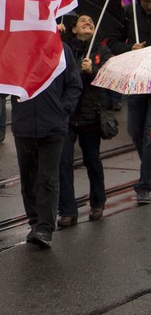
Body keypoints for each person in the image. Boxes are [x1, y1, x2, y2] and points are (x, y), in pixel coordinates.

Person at [11, 44, 82, 248]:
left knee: (47, 179)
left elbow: (74, 84)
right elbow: (2, 83)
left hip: (52, 126)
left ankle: (45, 227)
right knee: (28, 179)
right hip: (24, 125)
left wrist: (62, 109)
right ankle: (35, 221)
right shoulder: (17, 48)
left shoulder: (61, 49)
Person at [58, 15, 111, 226]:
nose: (88, 22)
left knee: (92, 161)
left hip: (90, 116)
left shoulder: (101, 51)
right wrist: (55, 32)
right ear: (73, 29)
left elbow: (108, 78)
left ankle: (98, 202)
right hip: (68, 115)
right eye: (83, 21)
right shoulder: (65, 49)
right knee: (63, 163)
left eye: (91, 21)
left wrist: (93, 70)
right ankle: (67, 210)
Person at [107, 0, 151, 204]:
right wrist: (129, 49)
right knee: (135, 131)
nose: (149, 6)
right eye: (146, 2)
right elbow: (113, 43)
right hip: (136, 81)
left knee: (149, 137)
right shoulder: (128, 14)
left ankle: (144, 185)